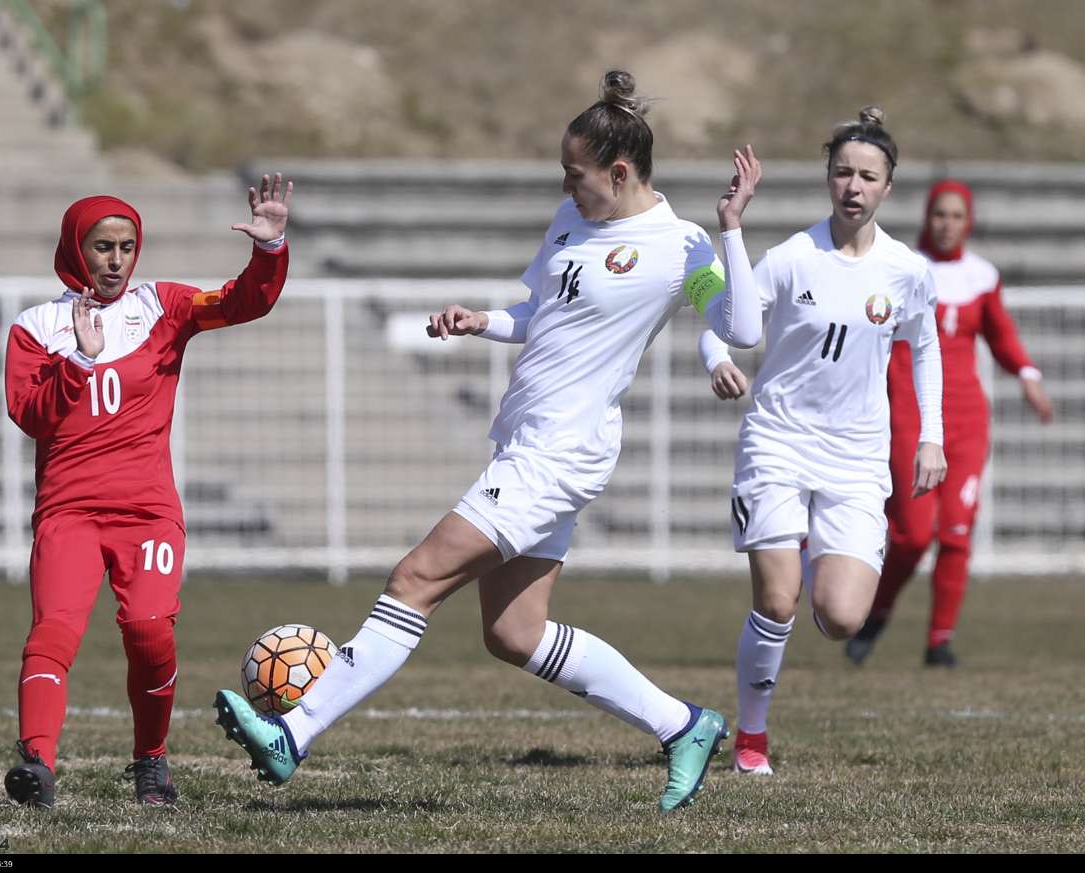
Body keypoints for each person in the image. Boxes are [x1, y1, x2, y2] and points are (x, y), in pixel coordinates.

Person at [214, 70, 763, 812]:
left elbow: (742, 328)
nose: (567, 187)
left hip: (559, 455)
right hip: (525, 444)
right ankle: (684, 724)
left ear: (620, 172)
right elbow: (536, 310)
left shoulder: (680, 247)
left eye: (577, 175)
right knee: (514, 632)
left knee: (415, 577)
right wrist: (481, 320)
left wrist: (731, 227)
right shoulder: (570, 224)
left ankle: (295, 732)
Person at [2, 175, 293, 807]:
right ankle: (37, 764)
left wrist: (268, 251)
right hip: (68, 513)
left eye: (126, 247)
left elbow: (244, 301)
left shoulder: (162, 305)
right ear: (75, 249)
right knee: (54, 630)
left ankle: (151, 761)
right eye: (102, 246)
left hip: (146, 513)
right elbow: (30, 414)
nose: (115, 260)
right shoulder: (35, 328)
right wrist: (79, 362)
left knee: (149, 630)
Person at [697, 107, 945, 776]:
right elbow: (726, 317)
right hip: (777, 440)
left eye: (868, 176)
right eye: (843, 173)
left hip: (857, 456)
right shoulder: (791, 257)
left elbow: (925, 348)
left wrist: (931, 438)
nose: (853, 186)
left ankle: (816, 560)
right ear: (827, 180)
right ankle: (752, 738)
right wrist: (714, 353)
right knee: (776, 602)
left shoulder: (906, 270)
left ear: (888, 187)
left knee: (840, 617)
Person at [844, 179, 1053, 668]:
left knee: (957, 533)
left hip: (967, 420)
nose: (948, 224)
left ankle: (940, 642)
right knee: (913, 535)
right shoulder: (899, 268)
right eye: (940, 213)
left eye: (958, 216)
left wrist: (1027, 375)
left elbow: (1001, 336)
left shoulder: (982, 276)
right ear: (927, 216)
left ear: (969, 221)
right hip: (911, 416)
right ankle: (877, 614)